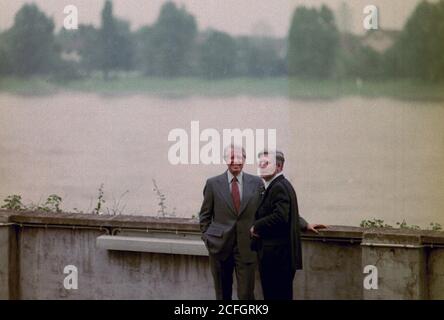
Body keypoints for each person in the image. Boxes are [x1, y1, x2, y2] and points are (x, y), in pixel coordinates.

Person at [250, 149, 326, 300]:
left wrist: (256, 226)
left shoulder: (278, 187)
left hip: (276, 256)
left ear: (278, 167)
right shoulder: (278, 185)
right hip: (280, 256)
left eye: (266, 164)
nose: (262, 167)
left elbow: (280, 216)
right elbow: (289, 212)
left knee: (274, 295)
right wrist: (305, 224)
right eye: (260, 164)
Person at [199, 144, 263, 300]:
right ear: (225, 160)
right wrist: (208, 239)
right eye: (232, 158)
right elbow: (205, 216)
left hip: (247, 248)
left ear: (245, 160)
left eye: (240, 158)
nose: (236, 161)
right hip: (219, 249)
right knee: (222, 295)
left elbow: (270, 210)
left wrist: (303, 224)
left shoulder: (256, 183)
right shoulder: (213, 184)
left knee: (246, 296)